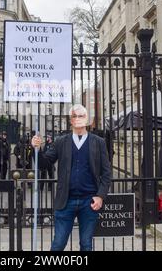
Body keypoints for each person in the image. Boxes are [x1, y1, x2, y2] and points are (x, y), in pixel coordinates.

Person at [31, 104, 112, 251]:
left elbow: (106, 173)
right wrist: (36, 149)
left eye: (81, 116)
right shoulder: (61, 141)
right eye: (75, 116)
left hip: (89, 201)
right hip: (65, 200)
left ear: (87, 119)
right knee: (58, 244)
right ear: (70, 120)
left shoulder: (98, 142)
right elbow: (45, 163)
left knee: (86, 244)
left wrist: (100, 196)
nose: (78, 119)